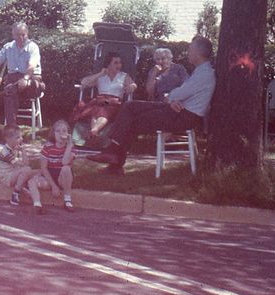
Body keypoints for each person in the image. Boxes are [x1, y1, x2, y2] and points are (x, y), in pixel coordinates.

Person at [89, 36, 216, 174]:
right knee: (130, 106)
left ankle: (114, 158)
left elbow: (181, 92)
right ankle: (113, 153)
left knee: (132, 120)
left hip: (184, 116)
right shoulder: (201, 71)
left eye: (190, 49)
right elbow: (183, 93)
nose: (188, 52)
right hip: (177, 110)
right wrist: (173, 99)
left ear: (199, 53)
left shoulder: (204, 73)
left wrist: (171, 97)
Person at [0, 22, 45, 126]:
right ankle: (12, 128)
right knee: (10, 92)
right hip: (13, 82)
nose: (20, 38)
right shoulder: (8, 47)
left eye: (23, 35)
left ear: (27, 33)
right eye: (17, 35)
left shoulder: (33, 47)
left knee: (14, 88)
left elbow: (31, 66)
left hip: (31, 80)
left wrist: (25, 79)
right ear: (12, 34)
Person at [72, 52, 137, 138]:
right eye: (115, 62)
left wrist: (131, 87)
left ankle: (93, 131)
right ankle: (94, 133)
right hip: (100, 101)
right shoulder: (101, 77)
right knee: (97, 109)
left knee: (103, 110)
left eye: (120, 62)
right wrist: (100, 73)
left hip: (114, 103)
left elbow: (133, 85)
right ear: (108, 64)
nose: (119, 65)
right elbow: (84, 82)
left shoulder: (123, 76)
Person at [0, 125, 47, 215]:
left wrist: (23, 150)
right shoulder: (5, 152)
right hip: (6, 177)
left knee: (40, 170)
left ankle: (26, 187)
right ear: (8, 139)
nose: (21, 139)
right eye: (18, 137)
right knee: (27, 170)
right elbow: (25, 165)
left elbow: (26, 163)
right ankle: (15, 193)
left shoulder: (15, 148)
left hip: (15, 174)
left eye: (21, 136)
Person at [40, 120, 77, 212]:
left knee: (66, 168)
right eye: (58, 131)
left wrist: (69, 146)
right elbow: (44, 168)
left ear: (68, 134)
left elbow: (65, 162)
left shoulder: (71, 148)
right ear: (53, 134)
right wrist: (53, 186)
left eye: (64, 131)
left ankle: (67, 200)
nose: (61, 134)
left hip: (63, 177)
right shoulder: (47, 147)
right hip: (50, 176)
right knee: (34, 180)